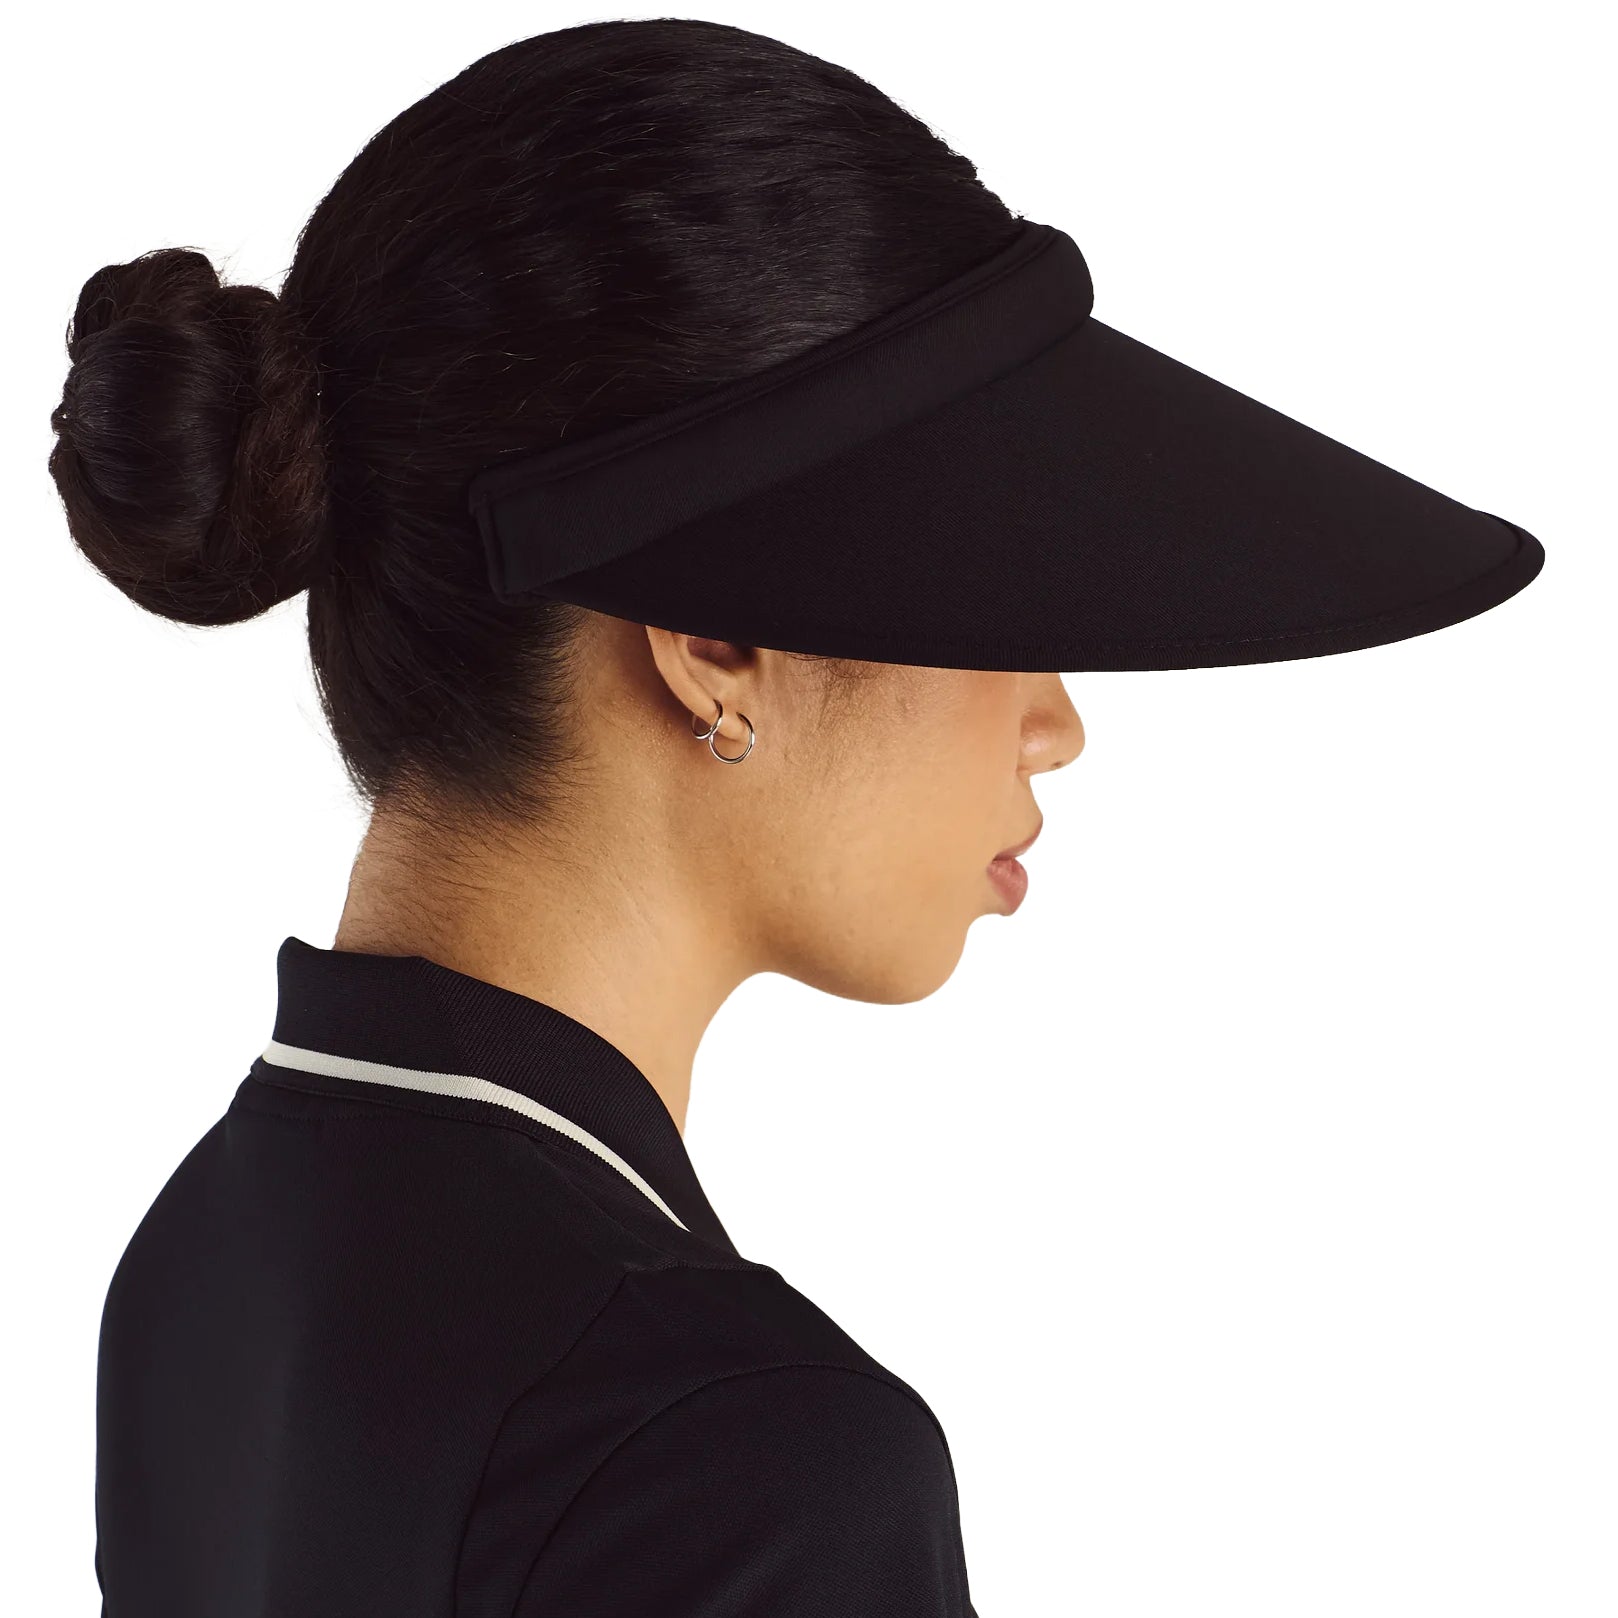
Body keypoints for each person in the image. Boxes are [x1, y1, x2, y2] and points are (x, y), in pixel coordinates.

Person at [49, 19, 1542, 1616]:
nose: (1056, 719)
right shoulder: (738, 1455)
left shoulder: (199, 1265)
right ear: (712, 635)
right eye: (999, 590)